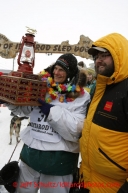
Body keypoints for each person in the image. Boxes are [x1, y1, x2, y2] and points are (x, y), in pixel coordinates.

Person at [5, 53, 90, 193]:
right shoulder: (42, 87)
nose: (56, 72)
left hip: (58, 162)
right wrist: (10, 101)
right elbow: (26, 109)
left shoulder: (81, 96)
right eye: (55, 68)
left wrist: (50, 111)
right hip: (30, 156)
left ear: (71, 73)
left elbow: (76, 130)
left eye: (62, 70)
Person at [79, 33, 128, 193]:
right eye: (97, 56)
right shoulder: (100, 88)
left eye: (105, 55)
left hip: (116, 186)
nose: (98, 60)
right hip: (91, 179)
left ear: (120, 56)